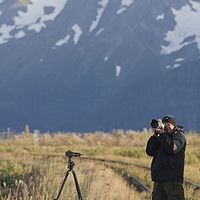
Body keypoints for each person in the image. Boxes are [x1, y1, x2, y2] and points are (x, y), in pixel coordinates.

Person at [146, 115, 186, 200]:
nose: (166, 127)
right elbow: (150, 151)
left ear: (173, 125)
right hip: (159, 179)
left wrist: (163, 135)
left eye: (168, 125)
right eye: (165, 124)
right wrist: (155, 136)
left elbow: (173, 148)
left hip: (172, 179)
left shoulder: (179, 136)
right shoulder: (161, 137)